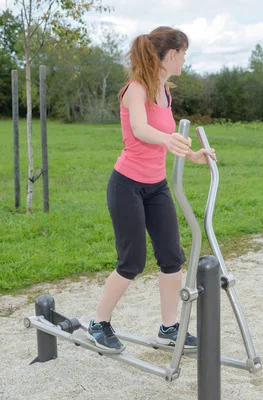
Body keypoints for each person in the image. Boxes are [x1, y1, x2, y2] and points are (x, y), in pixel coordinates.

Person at [87, 27, 217, 352]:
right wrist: (169, 140)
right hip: (126, 185)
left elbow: (164, 136)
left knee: (172, 257)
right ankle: (98, 323)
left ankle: (169, 328)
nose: (185, 59)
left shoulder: (165, 92)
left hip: (156, 186)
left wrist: (193, 155)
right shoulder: (136, 88)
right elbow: (140, 129)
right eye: (183, 53)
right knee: (132, 261)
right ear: (171, 55)